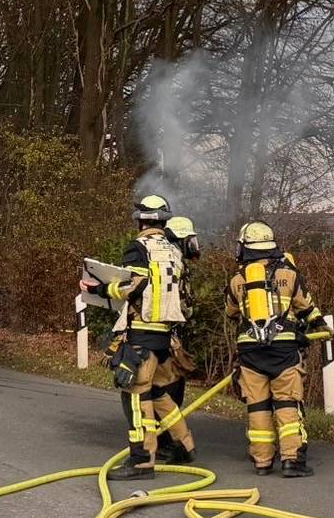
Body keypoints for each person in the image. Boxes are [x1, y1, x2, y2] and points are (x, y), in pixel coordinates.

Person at [79, 194, 197, 479]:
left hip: (142, 335)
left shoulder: (137, 248)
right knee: (158, 392)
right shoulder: (174, 251)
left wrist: (98, 290)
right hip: (165, 337)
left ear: (141, 221)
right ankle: (184, 445)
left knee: (133, 394)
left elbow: (133, 286)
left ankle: (142, 460)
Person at [225, 221, 326, 477]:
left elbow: (231, 312)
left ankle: (262, 461)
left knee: (257, 406)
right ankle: (292, 461)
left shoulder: (238, 279)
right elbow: (305, 306)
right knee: (287, 403)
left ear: (245, 247)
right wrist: (320, 325)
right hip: (284, 350)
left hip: (250, 351)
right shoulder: (289, 274)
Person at [152, 215, 201, 464]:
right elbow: (184, 306)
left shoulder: (171, 261)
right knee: (166, 391)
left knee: (167, 391)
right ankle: (168, 443)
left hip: (169, 337)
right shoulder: (173, 263)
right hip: (168, 337)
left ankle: (169, 442)